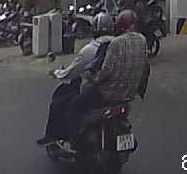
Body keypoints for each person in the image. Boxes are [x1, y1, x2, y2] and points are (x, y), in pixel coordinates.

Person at [65, 9, 149, 141]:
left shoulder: (116, 43)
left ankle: (75, 138)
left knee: (75, 104)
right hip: (129, 94)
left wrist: (93, 79)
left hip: (109, 94)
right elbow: (145, 67)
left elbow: (106, 71)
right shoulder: (142, 40)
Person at [37, 12, 117, 145]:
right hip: (120, 91)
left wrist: (57, 73)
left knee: (66, 103)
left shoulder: (90, 49)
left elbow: (71, 72)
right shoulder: (119, 44)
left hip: (97, 91)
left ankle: (73, 138)